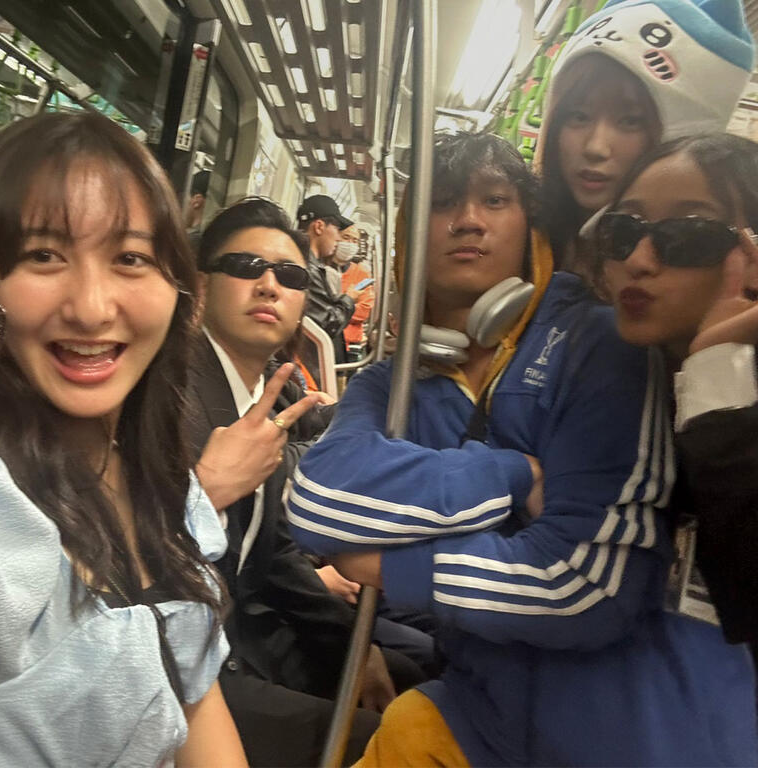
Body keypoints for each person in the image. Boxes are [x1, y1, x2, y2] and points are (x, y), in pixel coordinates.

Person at [287, 131, 757, 766]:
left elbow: (587, 586)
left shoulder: (603, 342)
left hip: (629, 735)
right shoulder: (394, 382)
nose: (469, 221)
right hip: (484, 715)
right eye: (445, 201)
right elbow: (319, 500)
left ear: (531, 228)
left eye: (496, 200)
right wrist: (509, 473)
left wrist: (392, 561)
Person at [0, 112, 247, 766]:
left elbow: (195, 697)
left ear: (178, 290)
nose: (92, 306)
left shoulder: (163, 482)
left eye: (130, 258)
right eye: (44, 255)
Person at [191, 198, 427, 767]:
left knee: (411, 677)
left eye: (289, 275)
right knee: (391, 742)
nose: (269, 285)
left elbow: (271, 557)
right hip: (197, 661)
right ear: (200, 287)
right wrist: (204, 491)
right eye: (246, 267)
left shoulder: (262, 400)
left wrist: (357, 647)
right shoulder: (172, 398)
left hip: (243, 629)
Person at [598, 132, 758, 646]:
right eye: (623, 231)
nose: (640, 260)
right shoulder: (615, 368)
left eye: (686, 235)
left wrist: (716, 365)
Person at [538, 0, 754, 272]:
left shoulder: (709, 271)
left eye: (631, 121)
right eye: (578, 116)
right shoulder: (521, 237)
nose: (596, 147)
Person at [297, 194, 362, 361]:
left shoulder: (310, 263)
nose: (339, 238)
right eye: (337, 229)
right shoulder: (306, 267)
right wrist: (349, 300)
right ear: (319, 227)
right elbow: (328, 323)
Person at [334, 224, 375, 357]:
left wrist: (335, 309)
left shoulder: (361, 274)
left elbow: (364, 310)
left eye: (354, 240)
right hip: (325, 340)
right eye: (346, 237)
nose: (350, 244)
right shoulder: (322, 270)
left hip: (350, 344)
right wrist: (349, 302)